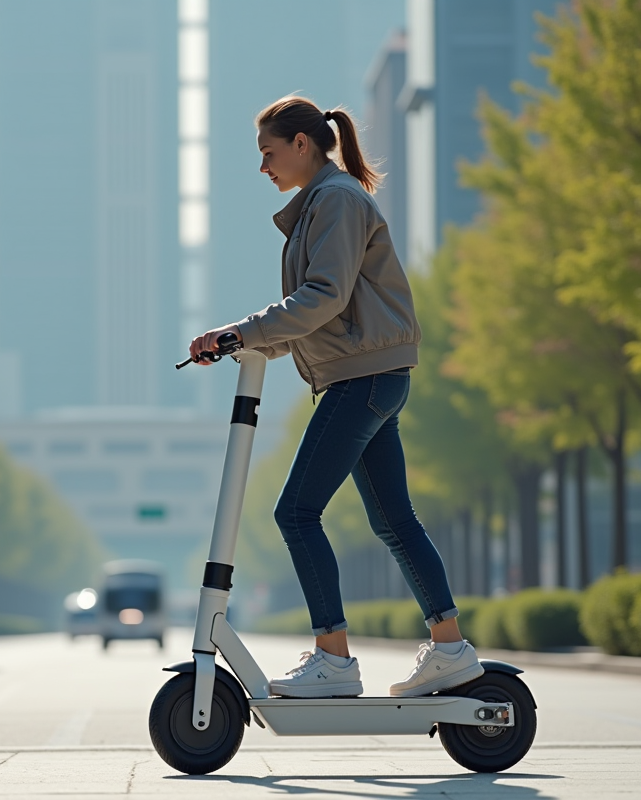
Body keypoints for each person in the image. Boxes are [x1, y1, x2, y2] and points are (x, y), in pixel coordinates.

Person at [188, 96, 483, 699]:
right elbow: (318, 314)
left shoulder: (337, 200)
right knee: (394, 520)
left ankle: (334, 658)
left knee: (296, 513)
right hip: (370, 374)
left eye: (268, 153)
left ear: (302, 144)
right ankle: (450, 648)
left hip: (362, 378)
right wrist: (244, 341)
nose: (263, 167)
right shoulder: (323, 203)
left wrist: (244, 331)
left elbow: (323, 297)